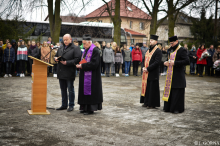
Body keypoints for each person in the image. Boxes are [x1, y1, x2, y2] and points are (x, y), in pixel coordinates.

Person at [76, 34, 103, 115]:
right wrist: (79, 64)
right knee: (84, 91)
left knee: (91, 91)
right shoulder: (85, 50)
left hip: (92, 76)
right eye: (82, 43)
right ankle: (84, 107)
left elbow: (94, 64)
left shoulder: (95, 50)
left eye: (84, 43)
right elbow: (84, 60)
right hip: (84, 74)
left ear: (89, 42)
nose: (83, 45)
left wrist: (82, 66)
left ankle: (90, 109)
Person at [163, 36, 189, 114]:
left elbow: (187, 61)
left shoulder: (182, 50)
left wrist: (175, 63)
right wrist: (166, 63)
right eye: (170, 43)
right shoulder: (171, 49)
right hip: (170, 74)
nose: (171, 45)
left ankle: (177, 108)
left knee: (177, 91)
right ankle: (168, 107)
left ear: (176, 41)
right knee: (170, 91)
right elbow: (170, 59)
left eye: (172, 43)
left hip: (178, 74)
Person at [54, 34, 81, 112]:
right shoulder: (60, 47)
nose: (65, 41)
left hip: (69, 71)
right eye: (64, 40)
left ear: (70, 39)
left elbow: (77, 59)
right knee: (63, 89)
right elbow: (56, 56)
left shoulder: (75, 48)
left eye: (66, 40)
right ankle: (64, 105)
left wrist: (67, 62)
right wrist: (55, 58)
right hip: (61, 71)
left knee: (70, 89)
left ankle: (71, 105)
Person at [140, 35, 162, 109]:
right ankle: (146, 102)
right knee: (147, 88)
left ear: (155, 42)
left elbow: (157, 62)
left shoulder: (158, 51)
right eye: (150, 40)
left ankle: (152, 104)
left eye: (152, 40)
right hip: (146, 72)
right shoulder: (148, 50)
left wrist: (148, 68)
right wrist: (143, 67)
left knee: (152, 88)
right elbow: (144, 59)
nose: (150, 41)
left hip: (153, 73)